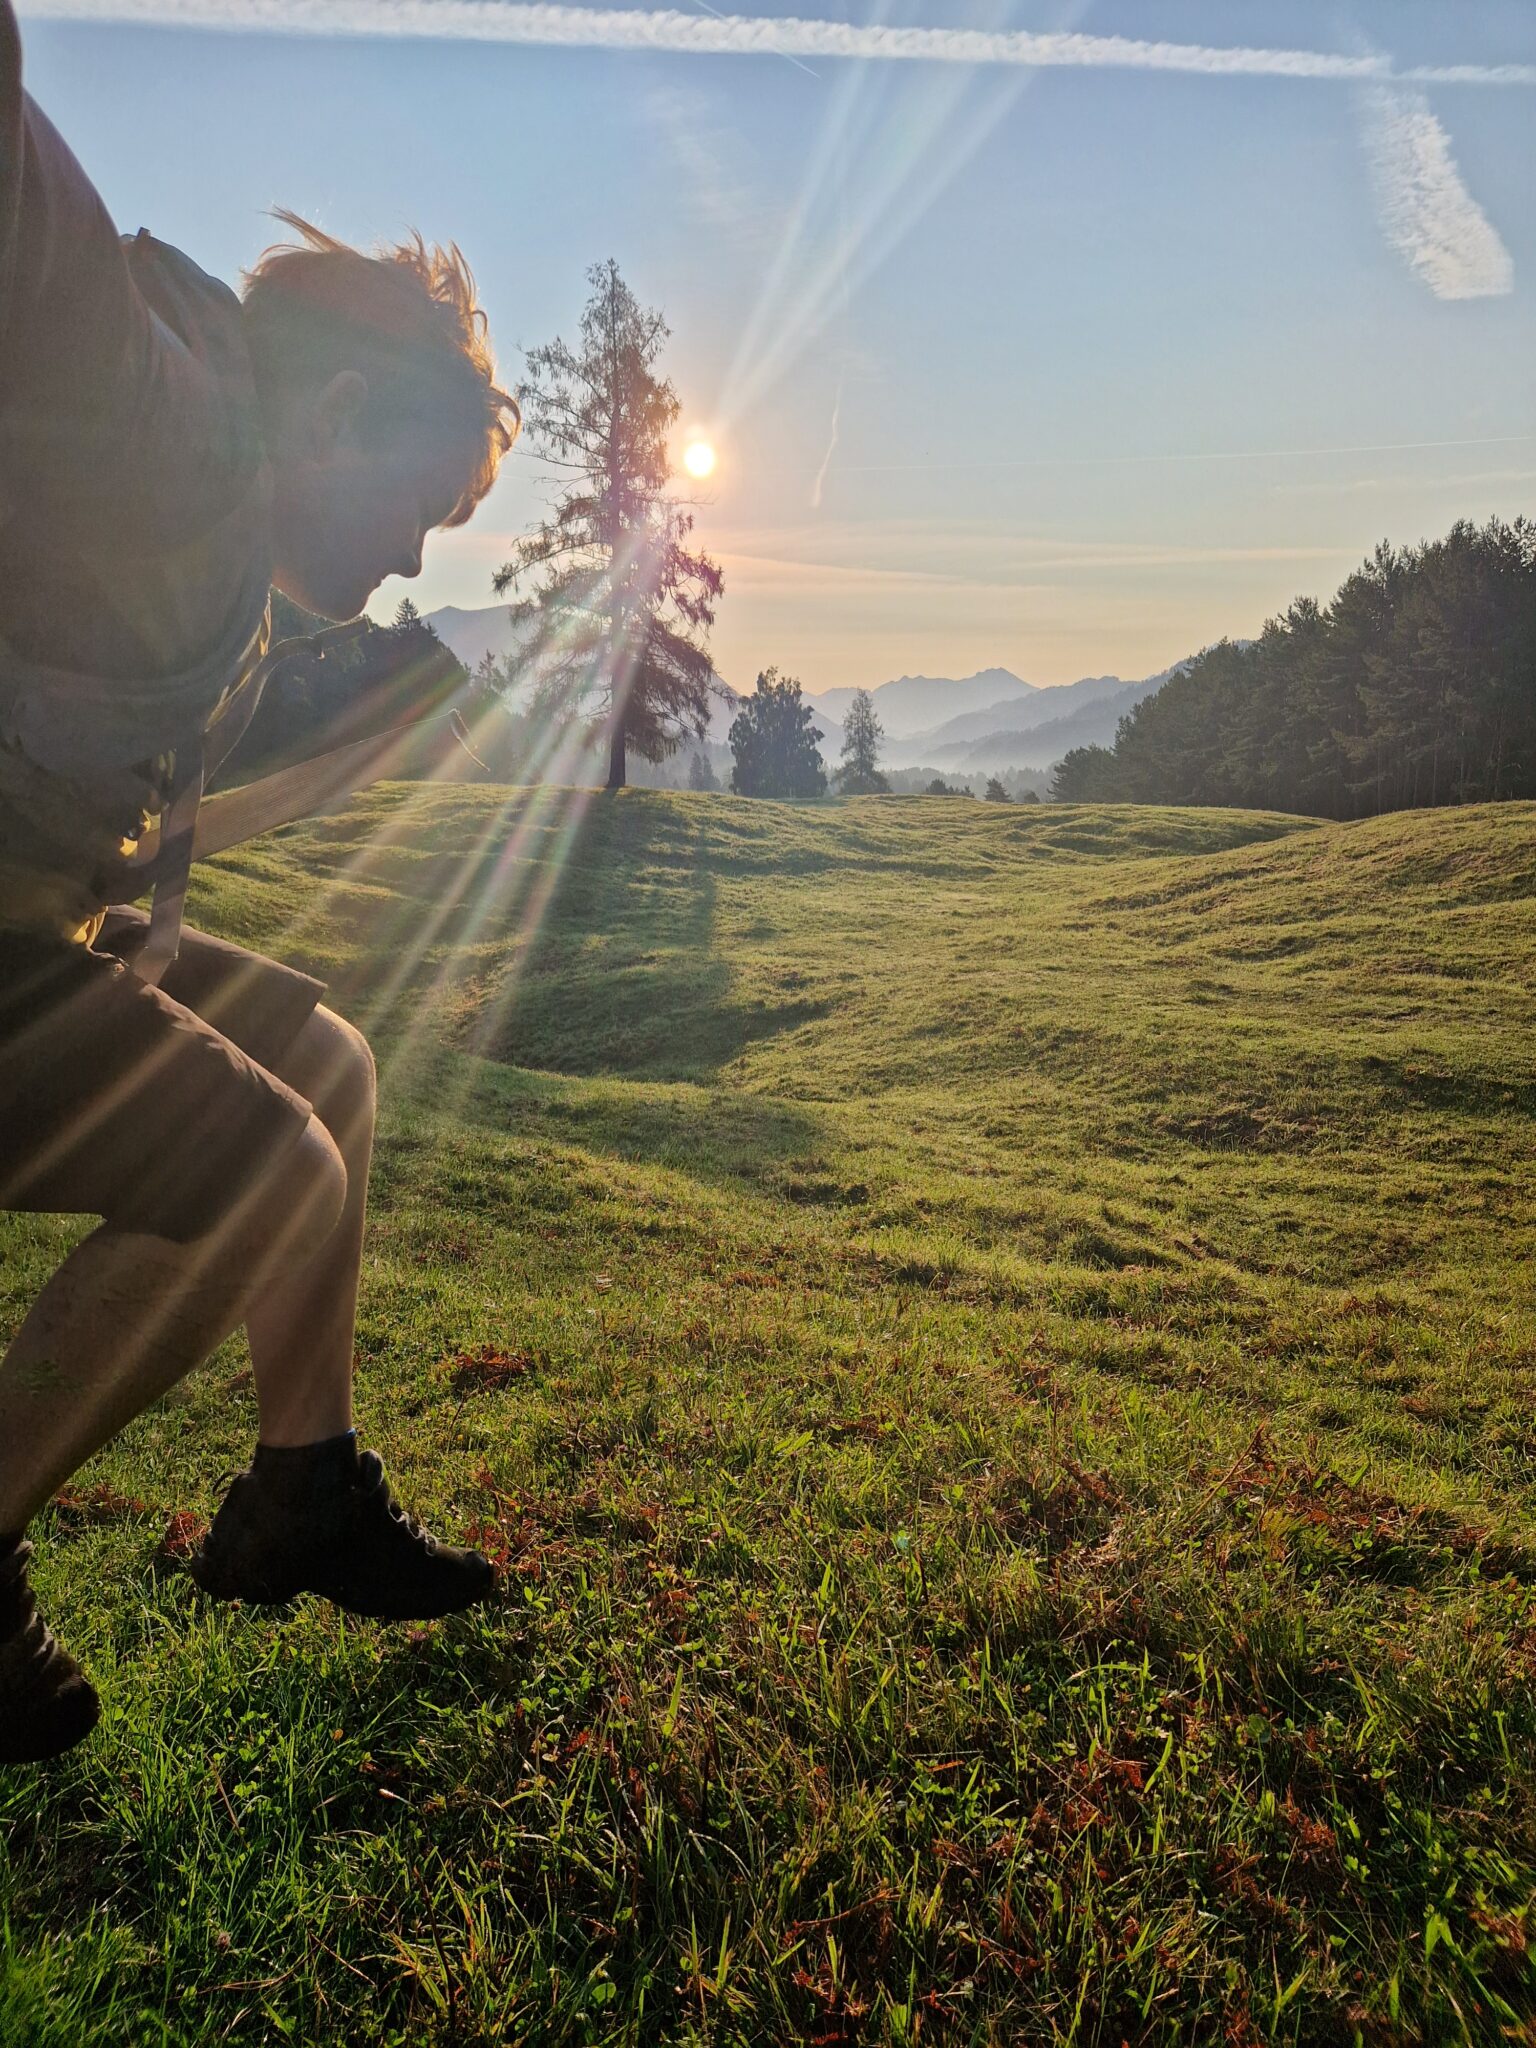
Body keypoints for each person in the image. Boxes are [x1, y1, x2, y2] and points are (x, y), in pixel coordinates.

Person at [0, 0, 520, 1763]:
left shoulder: (231, 551)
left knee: (332, 1069)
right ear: (346, 413)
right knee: (266, 1172)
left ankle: (300, 1485)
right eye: (420, 517)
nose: (401, 572)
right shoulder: (148, 415)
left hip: (25, 937)